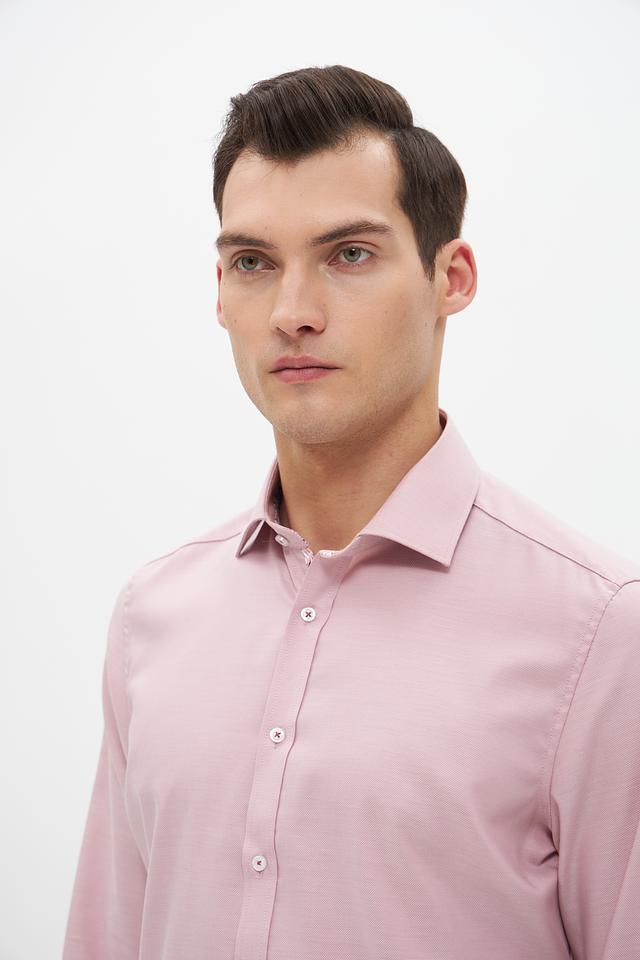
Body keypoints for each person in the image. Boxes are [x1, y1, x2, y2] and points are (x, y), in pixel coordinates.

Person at [62, 64, 640, 960]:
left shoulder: (599, 634)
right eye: (253, 263)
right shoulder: (152, 616)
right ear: (219, 292)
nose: (292, 313)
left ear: (452, 276)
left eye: (350, 255)